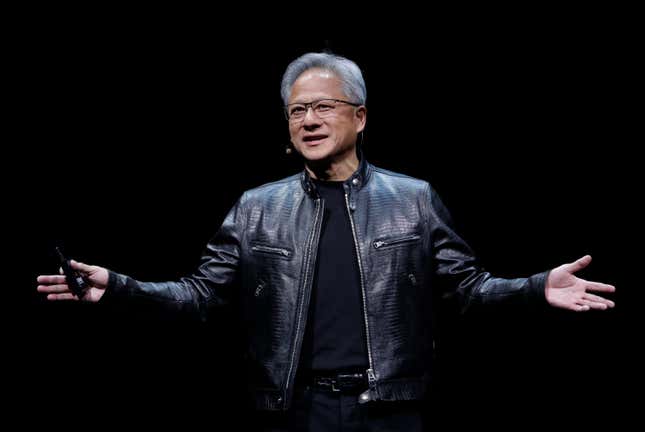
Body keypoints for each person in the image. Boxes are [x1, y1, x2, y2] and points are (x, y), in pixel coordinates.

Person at [36, 52, 616, 431]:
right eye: (296, 111)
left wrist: (538, 287)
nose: (308, 120)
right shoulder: (257, 207)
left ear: (359, 117)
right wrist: (119, 288)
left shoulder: (413, 198)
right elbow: (200, 296)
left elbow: (466, 290)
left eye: (322, 107)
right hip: (291, 411)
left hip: (390, 411)